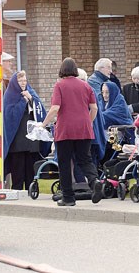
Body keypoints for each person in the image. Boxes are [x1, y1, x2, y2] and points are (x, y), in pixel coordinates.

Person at [40, 57, 103, 206]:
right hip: (84, 129)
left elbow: (55, 108)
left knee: (64, 163)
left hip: (65, 130)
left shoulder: (60, 86)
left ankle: (68, 197)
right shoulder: (86, 86)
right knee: (85, 159)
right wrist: (88, 121)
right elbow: (94, 108)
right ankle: (94, 182)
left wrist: (43, 124)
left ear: (62, 70)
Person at [3, 71, 47, 190]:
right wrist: (23, 101)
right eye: (20, 81)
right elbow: (9, 115)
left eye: (24, 80)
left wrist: (31, 99)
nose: (23, 83)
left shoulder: (31, 93)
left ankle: (31, 191)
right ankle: (17, 191)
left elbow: (40, 110)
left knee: (30, 172)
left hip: (31, 142)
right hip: (17, 142)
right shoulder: (9, 95)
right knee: (18, 172)